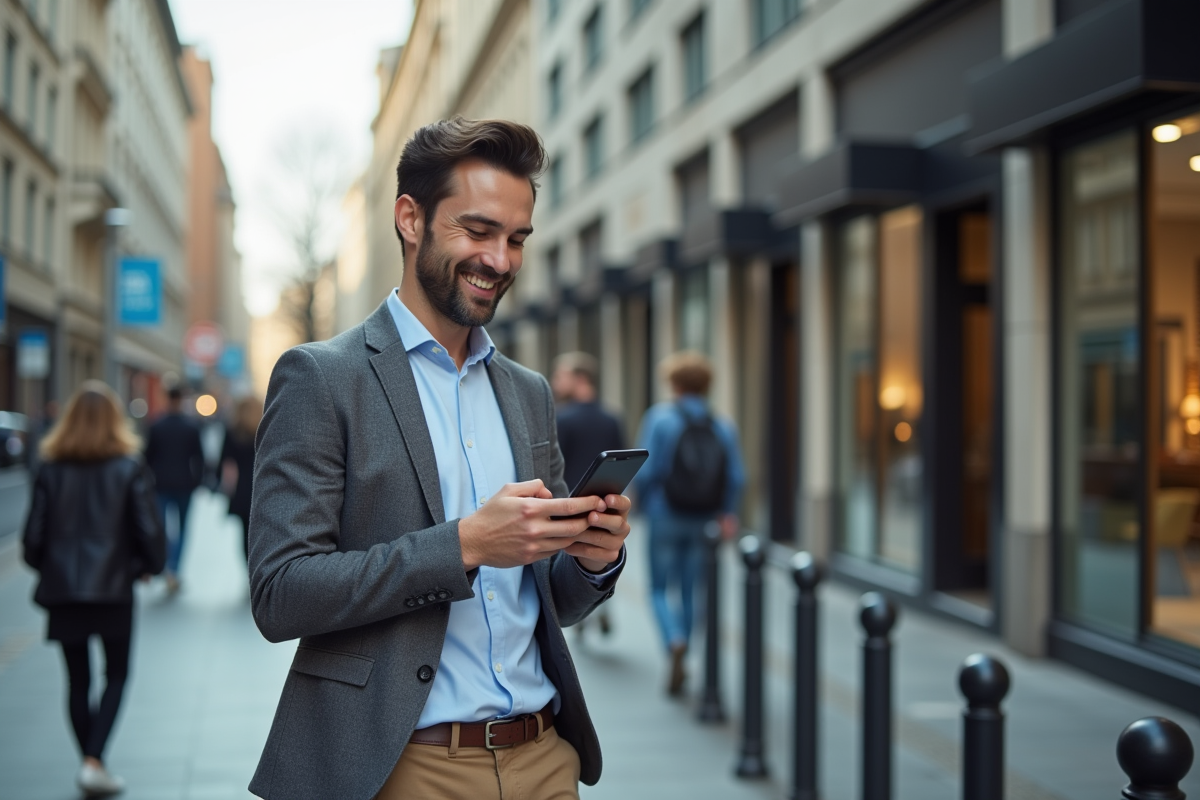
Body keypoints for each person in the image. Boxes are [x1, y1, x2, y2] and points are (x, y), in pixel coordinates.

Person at [248, 117, 632, 800]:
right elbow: (282, 593)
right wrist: (462, 545)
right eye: (478, 231)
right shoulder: (322, 379)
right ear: (410, 219)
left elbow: (549, 603)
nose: (501, 260)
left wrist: (593, 560)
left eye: (516, 239)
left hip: (545, 758)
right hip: (404, 766)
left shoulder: (527, 392)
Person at [21, 380, 166, 797]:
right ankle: (94, 760)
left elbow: (33, 539)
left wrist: (48, 567)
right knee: (116, 674)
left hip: (63, 591)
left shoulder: (49, 468)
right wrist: (145, 566)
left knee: (77, 681)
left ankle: (90, 759)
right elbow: (148, 530)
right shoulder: (128, 466)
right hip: (114, 588)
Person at [634, 351, 744, 696]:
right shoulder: (722, 424)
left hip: (665, 513)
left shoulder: (660, 418)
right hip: (704, 518)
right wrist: (728, 513)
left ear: (675, 384)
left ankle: (674, 639)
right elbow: (737, 476)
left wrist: (640, 505)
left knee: (657, 588)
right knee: (691, 589)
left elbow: (646, 468)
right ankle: (686, 645)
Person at [551, 351, 625, 639]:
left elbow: (553, 463)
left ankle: (583, 617)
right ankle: (601, 610)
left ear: (580, 379)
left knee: (574, 555)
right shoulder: (611, 418)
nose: (556, 383)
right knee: (603, 552)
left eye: (562, 376)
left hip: (571, 500)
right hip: (607, 500)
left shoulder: (563, 418)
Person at [143, 385, 204, 594]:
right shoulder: (191, 426)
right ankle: (174, 569)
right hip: (185, 484)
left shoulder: (156, 425)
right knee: (183, 529)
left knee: (163, 528)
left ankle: (169, 565)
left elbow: (147, 458)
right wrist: (198, 481)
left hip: (161, 484)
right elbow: (199, 457)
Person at [218, 395, 262, 561]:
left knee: (245, 535)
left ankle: (250, 573)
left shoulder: (233, 431)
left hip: (242, 492)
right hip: (262, 487)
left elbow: (227, 465)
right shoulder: (264, 429)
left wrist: (227, 490)